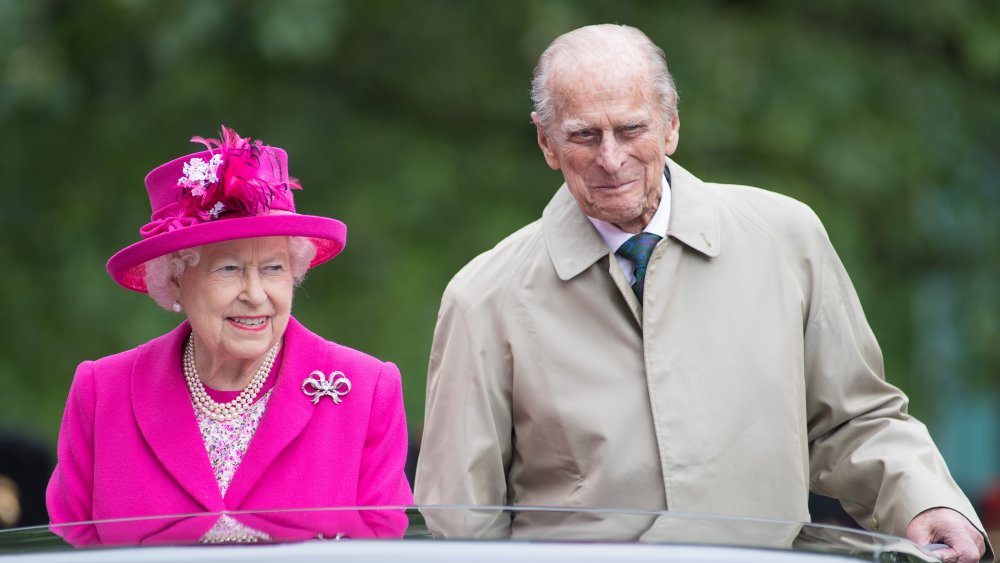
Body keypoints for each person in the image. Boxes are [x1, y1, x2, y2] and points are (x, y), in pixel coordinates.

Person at [414, 24, 990, 562]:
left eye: (631, 129)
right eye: (584, 136)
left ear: (671, 126)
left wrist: (926, 499)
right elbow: (462, 523)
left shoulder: (787, 239)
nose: (610, 159)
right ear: (546, 143)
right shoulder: (483, 297)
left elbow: (852, 421)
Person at [47, 126, 413, 545]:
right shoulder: (102, 392)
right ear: (176, 281)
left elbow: (383, 549)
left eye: (273, 268)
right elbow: (66, 546)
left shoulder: (366, 390)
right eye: (229, 269)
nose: (256, 296)